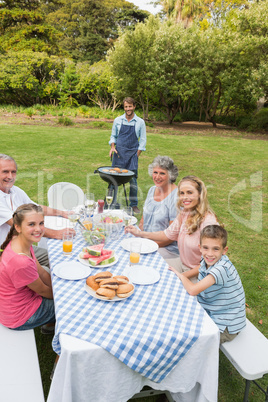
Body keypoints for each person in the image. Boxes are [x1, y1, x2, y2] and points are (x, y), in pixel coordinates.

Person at [169, 225, 246, 344]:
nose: (209, 254)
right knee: (179, 315)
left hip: (227, 325)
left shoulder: (221, 269)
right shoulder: (209, 259)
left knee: (190, 339)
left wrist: (181, 275)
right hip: (213, 310)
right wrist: (183, 275)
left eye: (215, 249)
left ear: (224, 250)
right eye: (206, 248)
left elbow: (193, 290)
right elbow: (200, 267)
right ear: (200, 248)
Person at [126, 175, 219, 274]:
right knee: (146, 265)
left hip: (199, 273)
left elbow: (210, 263)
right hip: (182, 263)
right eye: (182, 193)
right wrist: (140, 233)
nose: (185, 197)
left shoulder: (208, 223)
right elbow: (166, 234)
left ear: (200, 194)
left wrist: (182, 276)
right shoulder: (185, 213)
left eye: (190, 192)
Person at [0, 154, 75, 266]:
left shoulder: (15, 191)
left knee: (59, 257)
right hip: (5, 252)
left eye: (13, 172)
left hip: (21, 246)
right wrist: (56, 233)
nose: (10, 176)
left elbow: (36, 209)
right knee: (57, 260)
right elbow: (19, 224)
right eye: (5, 172)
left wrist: (62, 212)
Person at [0, 204, 55, 332]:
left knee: (47, 271)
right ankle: (54, 329)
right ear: (17, 227)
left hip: (13, 302)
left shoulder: (21, 241)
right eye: (31, 224)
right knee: (67, 308)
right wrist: (62, 298)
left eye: (41, 223)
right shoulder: (20, 262)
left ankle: (50, 324)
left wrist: (56, 288)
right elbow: (42, 291)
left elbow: (40, 271)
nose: (38, 229)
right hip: (19, 317)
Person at [109, 97, 146, 214]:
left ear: (134, 107)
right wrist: (112, 147)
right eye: (126, 107)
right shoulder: (118, 120)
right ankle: (111, 203)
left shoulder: (140, 122)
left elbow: (143, 141)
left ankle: (133, 205)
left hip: (132, 155)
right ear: (124, 107)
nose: (128, 109)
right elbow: (113, 136)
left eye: (130, 106)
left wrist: (136, 155)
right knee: (113, 179)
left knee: (133, 181)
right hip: (118, 154)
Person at [139, 155, 179, 260]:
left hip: (166, 248)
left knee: (143, 260)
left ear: (170, 175)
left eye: (162, 173)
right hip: (147, 241)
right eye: (155, 172)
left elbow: (172, 236)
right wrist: (139, 237)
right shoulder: (152, 190)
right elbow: (143, 220)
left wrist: (151, 245)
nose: (157, 177)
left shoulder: (176, 197)